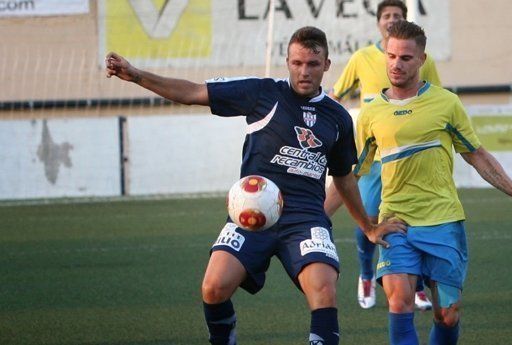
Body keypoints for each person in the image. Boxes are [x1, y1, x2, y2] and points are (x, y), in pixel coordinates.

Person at [105, 26, 405, 345]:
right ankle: (225, 336)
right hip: (250, 214)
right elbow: (193, 92)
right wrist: (137, 76)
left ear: (327, 65)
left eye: (313, 64)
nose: (304, 71)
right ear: (287, 61)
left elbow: (344, 177)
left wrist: (368, 226)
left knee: (324, 291)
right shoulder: (263, 93)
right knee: (213, 288)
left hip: (305, 218)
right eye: (297, 63)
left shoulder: (339, 118)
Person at [353, 21, 512, 345]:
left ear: (422, 60)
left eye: (405, 57)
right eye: (391, 56)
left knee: (447, 315)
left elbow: (477, 155)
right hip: (396, 221)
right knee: (399, 300)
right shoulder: (370, 113)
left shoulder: (446, 103)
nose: (396, 64)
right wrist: (323, 214)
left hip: (442, 222)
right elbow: (350, 176)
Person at [327, 0, 440, 311]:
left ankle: (415, 285)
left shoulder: (420, 60)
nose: (392, 19)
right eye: (387, 16)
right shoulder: (362, 57)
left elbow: (436, 99)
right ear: (379, 23)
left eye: (398, 16)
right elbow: (336, 97)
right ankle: (365, 274)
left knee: (412, 220)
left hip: (411, 157)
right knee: (370, 217)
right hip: (373, 158)